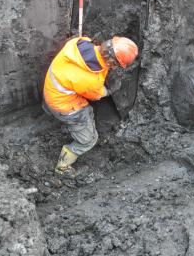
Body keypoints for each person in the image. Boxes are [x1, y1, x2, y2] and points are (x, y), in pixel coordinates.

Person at [43, 34, 138, 175]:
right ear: (112, 62)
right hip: (64, 106)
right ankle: (62, 167)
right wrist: (111, 89)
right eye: (116, 65)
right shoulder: (90, 81)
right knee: (88, 140)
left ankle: (52, 113)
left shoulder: (79, 43)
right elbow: (97, 95)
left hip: (51, 92)